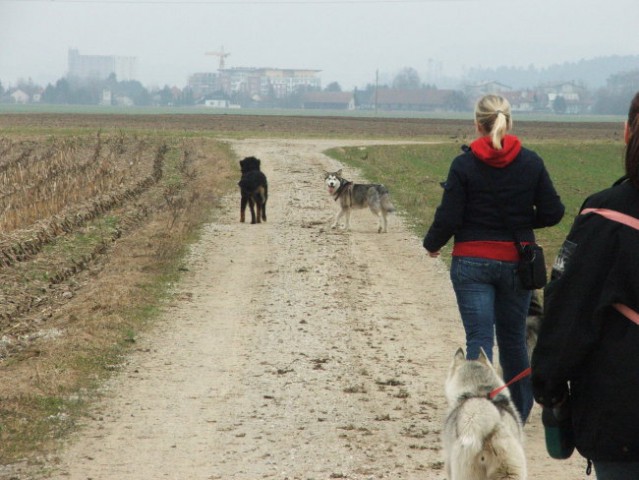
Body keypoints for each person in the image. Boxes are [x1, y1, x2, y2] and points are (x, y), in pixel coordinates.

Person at [423, 94, 565, 423]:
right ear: (510, 121)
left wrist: (433, 244)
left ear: (477, 124)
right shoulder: (531, 162)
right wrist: (521, 221)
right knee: (514, 338)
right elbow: (554, 211)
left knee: (479, 339)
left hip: (471, 264)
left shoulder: (463, 164)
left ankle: (477, 410)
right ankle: (517, 413)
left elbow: (450, 216)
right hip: (517, 263)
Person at [531, 92, 639, 479]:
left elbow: (568, 310)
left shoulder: (607, 215)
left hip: (625, 422)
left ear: (628, 132)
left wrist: (549, 385)